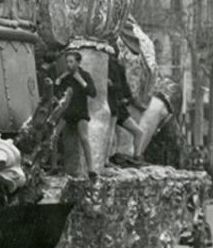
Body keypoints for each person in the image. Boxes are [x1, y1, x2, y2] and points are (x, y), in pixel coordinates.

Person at [55, 50, 98, 180]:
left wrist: (81, 80)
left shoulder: (85, 75)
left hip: (80, 111)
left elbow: (93, 93)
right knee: (54, 136)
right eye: (67, 61)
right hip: (67, 112)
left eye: (71, 61)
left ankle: (91, 169)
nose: (68, 64)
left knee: (84, 138)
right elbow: (57, 93)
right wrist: (58, 81)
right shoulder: (65, 77)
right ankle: (54, 166)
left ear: (78, 62)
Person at [107, 52, 146, 161]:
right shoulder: (110, 66)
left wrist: (127, 99)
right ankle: (107, 159)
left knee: (138, 132)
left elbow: (123, 87)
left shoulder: (118, 67)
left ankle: (137, 156)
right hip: (112, 106)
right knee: (111, 135)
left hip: (119, 108)